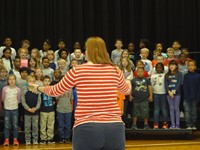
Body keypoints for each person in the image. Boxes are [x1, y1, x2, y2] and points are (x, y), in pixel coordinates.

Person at [29, 36, 131, 150]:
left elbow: (55, 90)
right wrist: (128, 81)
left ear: (89, 51)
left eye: (86, 49)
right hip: (114, 128)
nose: (85, 52)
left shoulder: (77, 71)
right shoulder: (115, 70)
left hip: (86, 127)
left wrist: (38, 88)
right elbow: (126, 90)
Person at [2, 74, 21, 146]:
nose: (11, 81)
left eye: (13, 79)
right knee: (7, 125)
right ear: (8, 81)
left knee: (15, 125)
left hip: (15, 109)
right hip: (7, 109)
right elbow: (3, 98)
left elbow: (18, 100)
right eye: (10, 79)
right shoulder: (5, 89)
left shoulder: (18, 90)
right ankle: (6, 139)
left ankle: (15, 139)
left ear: (15, 80)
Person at [21, 75, 41, 145]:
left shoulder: (37, 92)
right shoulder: (24, 91)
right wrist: (28, 108)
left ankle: (35, 139)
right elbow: (23, 101)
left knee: (35, 127)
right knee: (27, 127)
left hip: (35, 112)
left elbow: (39, 101)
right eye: (30, 81)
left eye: (33, 81)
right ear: (27, 82)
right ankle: (27, 140)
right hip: (27, 112)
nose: (32, 83)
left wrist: (35, 108)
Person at [165, 60, 182, 129]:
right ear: (168, 66)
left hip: (177, 93)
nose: (172, 66)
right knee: (171, 108)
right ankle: (172, 124)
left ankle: (177, 124)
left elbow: (179, 83)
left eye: (173, 65)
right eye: (170, 65)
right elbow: (166, 84)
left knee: (176, 108)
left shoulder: (179, 73)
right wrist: (169, 91)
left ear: (176, 66)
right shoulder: (167, 74)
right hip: (169, 94)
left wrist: (174, 92)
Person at [183, 60, 200, 130]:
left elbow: (199, 87)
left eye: (192, 65)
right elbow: (185, 87)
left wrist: (198, 97)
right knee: (187, 111)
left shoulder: (198, 76)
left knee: (193, 111)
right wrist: (186, 96)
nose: (190, 67)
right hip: (187, 97)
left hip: (195, 97)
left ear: (195, 67)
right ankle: (188, 124)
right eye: (189, 65)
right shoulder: (186, 76)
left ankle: (193, 124)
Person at [151, 63, 168, 129]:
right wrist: (151, 94)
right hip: (155, 94)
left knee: (164, 109)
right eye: (157, 67)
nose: (159, 69)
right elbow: (152, 85)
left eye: (160, 67)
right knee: (156, 109)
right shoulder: (153, 76)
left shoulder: (165, 75)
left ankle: (165, 123)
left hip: (163, 94)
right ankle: (155, 123)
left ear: (163, 69)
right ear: (155, 69)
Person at [40, 75, 55, 144]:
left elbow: (54, 100)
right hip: (43, 111)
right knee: (43, 125)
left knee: (50, 125)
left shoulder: (52, 90)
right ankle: (43, 138)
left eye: (48, 81)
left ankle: (50, 138)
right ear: (42, 82)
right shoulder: (41, 90)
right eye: (45, 81)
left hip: (51, 110)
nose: (47, 82)